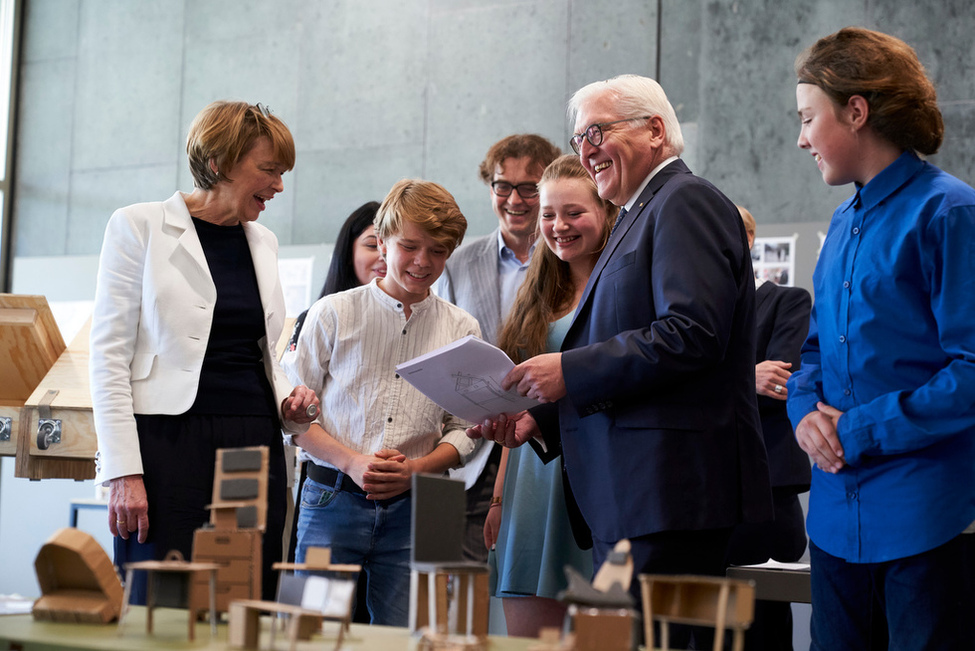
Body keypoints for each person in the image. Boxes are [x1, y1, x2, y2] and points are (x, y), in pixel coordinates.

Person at [470, 75, 773, 642]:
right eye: (578, 136)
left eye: (596, 132)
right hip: (633, 498)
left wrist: (568, 370)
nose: (583, 149)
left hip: (671, 496)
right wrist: (539, 416)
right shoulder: (638, 213)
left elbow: (691, 333)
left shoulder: (685, 201)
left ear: (655, 130)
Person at [789, 27, 975, 650]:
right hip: (837, 522)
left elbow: (972, 370)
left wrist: (858, 429)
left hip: (925, 519)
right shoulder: (842, 221)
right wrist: (801, 415)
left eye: (808, 117)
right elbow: (813, 352)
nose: (801, 137)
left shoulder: (949, 212)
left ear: (856, 111)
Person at [89, 101, 319, 603]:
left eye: (282, 173)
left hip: (252, 440)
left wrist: (287, 402)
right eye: (268, 170)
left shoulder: (264, 241)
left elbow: (259, 350)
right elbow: (107, 356)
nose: (279, 186)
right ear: (218, 163)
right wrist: (123, 470)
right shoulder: (138, 226)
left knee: (240, 599)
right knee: (161, 600)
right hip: (167, 442)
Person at [282, 179, 480, 626]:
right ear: (383, 240)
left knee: (417, 636)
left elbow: (466, 428)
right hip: (331, 494)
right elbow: (294, 418)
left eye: (438, 251)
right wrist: (351, 462)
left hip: (428, 501)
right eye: (409, 246)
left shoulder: (463, 327)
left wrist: (414, 470)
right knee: (309, 632)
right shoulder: (331, 312)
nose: (422, 262)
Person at [486, 155, 610, 637]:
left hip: (598, 472)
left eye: (574, 213)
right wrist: (498, 500)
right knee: (528, 637)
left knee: (600, 633)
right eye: (550, 215)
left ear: (607, 211)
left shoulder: (623, 290)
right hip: (531, 476)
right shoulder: (537, 293)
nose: (559, 226)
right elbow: (515, 411)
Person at [434, 134, 561, 563]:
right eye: (503, 186)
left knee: (532, 577)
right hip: (471, 440)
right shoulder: (456, 263)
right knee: (456, 584)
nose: (515, 199)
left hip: (546, 439)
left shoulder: (569, 259)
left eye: (531, 187)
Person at [726, 206, 811, 650]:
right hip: (703, 492)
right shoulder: (691, 312)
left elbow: (779, 381)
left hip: (766, 492)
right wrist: (744, 377)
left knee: (761, 627)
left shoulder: (786, 300)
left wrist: (702, 385)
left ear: (750, 237)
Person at [286, 201, 384, 351]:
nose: (384, 255)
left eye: (397, 247)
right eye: (372, 246)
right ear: (349, 252)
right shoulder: (316, 318)